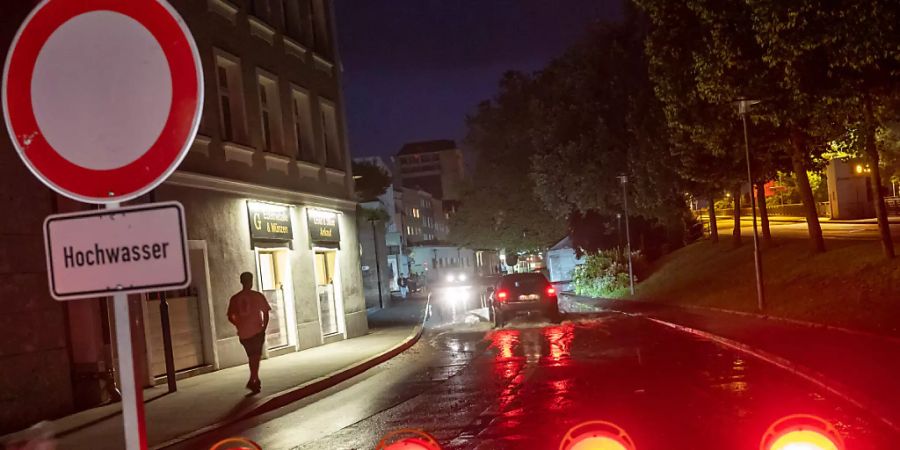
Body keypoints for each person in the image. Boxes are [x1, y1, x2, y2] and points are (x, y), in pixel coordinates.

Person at [227, 272, 270, 394]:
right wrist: (264, 328)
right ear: (251, 281)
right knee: (255, 357)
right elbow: (266, 313)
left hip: (244, 333)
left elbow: (230, 316)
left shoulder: (235, 298)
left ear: (241, 282)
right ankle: (253, 379)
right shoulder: (257, 296)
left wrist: (238, 324)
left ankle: (254, 380)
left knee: (252, 356)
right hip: (256, 330)